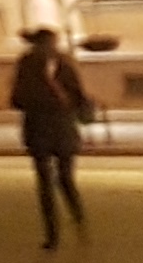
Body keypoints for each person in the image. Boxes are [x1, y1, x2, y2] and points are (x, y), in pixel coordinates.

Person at [10, 28, 93, 250]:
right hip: (60, 129)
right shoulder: (63, 64)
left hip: (41, 130)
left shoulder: (27, 65)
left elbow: (16, 100)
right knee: (63, 179)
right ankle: (76, 221)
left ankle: (54, 234)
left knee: (47, 182)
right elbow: (79, 95)